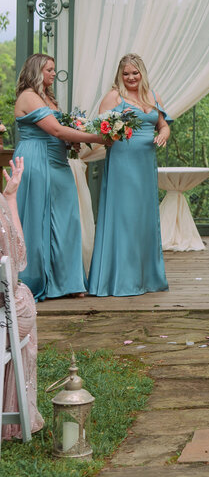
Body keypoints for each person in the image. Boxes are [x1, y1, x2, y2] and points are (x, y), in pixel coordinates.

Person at [13, 54, 107, 301]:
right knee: (38, 218)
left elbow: (59, 132)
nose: (54, 74)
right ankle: (36, 279)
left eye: (55, 69)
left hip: (57, 160)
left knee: (67, 220)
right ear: (36, 71)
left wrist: (71, 141)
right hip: (37, 159)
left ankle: (68, 280)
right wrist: (97, 138)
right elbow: (54, 129)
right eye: (49, 69)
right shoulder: (29, 96)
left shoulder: (47, 97)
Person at [88, 54, 171, 297]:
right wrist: (111, 135)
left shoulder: (153, 96)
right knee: (124, 216)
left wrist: (164, 132)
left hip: (146, 164)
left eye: (135, 73)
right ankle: (122, 280)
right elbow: (99, 128)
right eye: (126, 74)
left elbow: (163, 124)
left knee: (144, 217)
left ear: (142, 73)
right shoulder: (114, 96)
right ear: (120, 75)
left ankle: (146, 278)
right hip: (123, 162)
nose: (131, 77)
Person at [0, 157, 45, 440]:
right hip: (5, 319)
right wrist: (9, 199)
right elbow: (18, 261)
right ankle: (14, 419)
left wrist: (9, 198)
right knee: (20, 297)